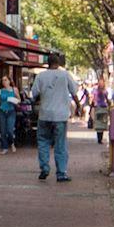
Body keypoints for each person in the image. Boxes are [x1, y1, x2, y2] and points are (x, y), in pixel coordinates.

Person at [29, 52, 82, 182]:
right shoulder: (65, 75)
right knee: (60, 144)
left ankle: (44, 168)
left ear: (48, 62)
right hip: (61, 115)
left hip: (45, 114)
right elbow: (74, 92)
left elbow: (34, 94)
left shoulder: (40, 76)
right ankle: (61, 173)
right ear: (58, 63)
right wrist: (79, 105)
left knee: (43, 141)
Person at [0, 79, 20, 154]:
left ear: (9, 81)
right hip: (2, 111)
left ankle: (12, 143)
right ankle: (4, 147)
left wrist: (14, 100)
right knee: (3, 131)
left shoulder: (14, 89)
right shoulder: (0, 91)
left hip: (11, 111)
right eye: (3, 81)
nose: (4, 82)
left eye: (6, 80)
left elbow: (19, 99)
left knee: (10, 130)